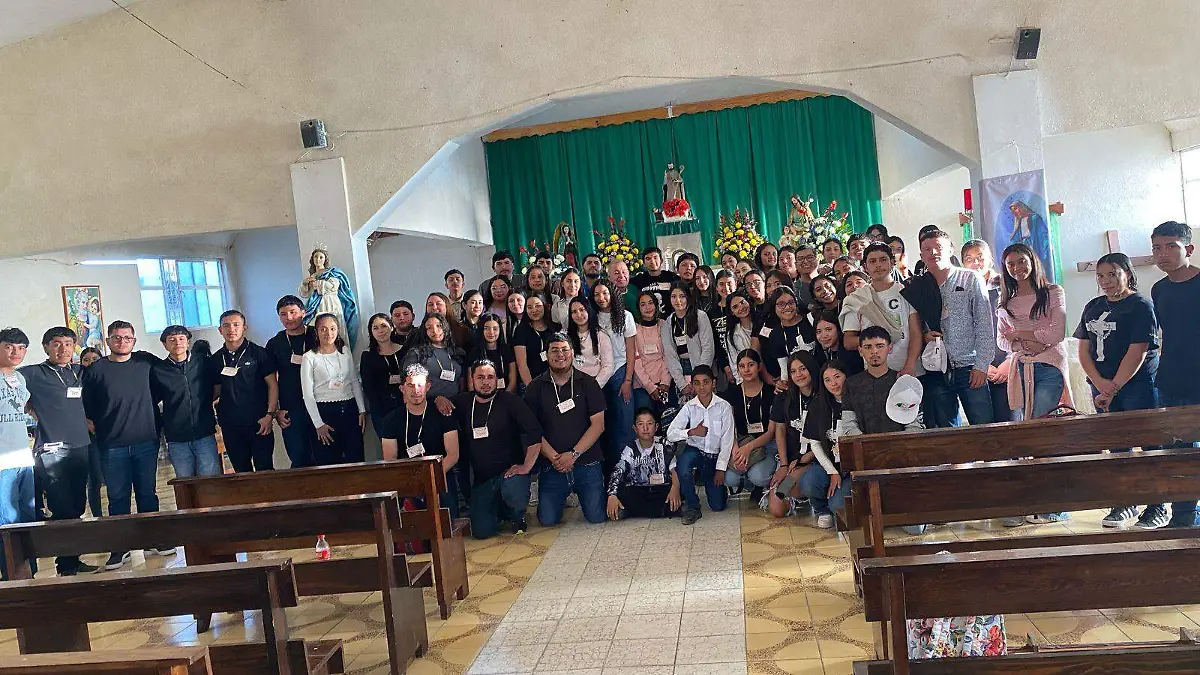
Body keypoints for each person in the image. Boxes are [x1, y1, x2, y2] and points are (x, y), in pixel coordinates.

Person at [1074, 253, 1164, 529]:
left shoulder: (1140, 305)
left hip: (1137, 385)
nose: (1106, 281)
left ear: (1127, 273)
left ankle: (1158, 506)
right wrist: (1100, 383)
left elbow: (1137, 351)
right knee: (1116, 446)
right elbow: (1083, 349)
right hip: (1102, 386)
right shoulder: (1093, 306)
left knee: (1149, 444)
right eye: (1100, 276)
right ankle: (1124, 502)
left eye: (1112, 274)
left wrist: (1112, 388)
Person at [82, 321, 170, 569]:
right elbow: (86, 404)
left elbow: (163, 385)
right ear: (108, 341)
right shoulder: (97, 369)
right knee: (118, 497)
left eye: (127, 338)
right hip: (112, 444)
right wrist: (93, 425)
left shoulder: (146, 362)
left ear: (134, 340)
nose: (122, 342)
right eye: (117, 338)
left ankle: (153, 540)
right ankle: (120, 547)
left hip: (145, 440)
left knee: (147, 493)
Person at [20, 327, 99, 575]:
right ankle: (64, 566)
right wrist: (30, 408)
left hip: (80, 445)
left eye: (68, 343)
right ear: (46, 347)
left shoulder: (77, 371)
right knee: (61, 508)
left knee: (77, 507)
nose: (63, 348)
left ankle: (73, 560)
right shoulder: (33, 373)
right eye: (56, 343)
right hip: (52, 450)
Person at [903, 229, 995, 428]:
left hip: (970, 365)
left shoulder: (970, 278)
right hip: (936, 368)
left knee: (984, 428)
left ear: (951, 249)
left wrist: (982, 365)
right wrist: (925, 335)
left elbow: (984, 324)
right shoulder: (918, 286)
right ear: (921, 255)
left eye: (938, 247)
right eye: (927, 249)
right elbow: (916, 326)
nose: (933, 252)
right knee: (947, 432)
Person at [524, 333, 607, 526]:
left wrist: (573, 455)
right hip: (553, 465)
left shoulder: (588, 383)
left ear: (572, 353)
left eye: (564, 350)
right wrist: (555, 458)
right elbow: (532, 430)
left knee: (596, 517)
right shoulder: (535, 387)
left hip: (586, 462)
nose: (560, 354)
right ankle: (561, 497)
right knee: (547, 520)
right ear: (546, 355)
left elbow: (598, 425)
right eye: (554, 350)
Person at [1150, 222, 1200, 528]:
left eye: (1171, 246)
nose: (1162, 254)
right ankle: (1183, 516)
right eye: (1157, 248)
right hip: (1170, 379)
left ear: (1188, 249)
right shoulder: (1159, 289)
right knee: (1177, 451)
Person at [454, 360, 541, 537]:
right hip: (482, 479)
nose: (485, 382)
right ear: (472, 380)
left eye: (490, 377)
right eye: (480, 377)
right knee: (481, 532)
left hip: (510, 474)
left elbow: (535, 434)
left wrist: (526, 466)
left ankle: (516, 515)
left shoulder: (510, 401)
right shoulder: (463, 402)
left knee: (513, 491)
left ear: (497, 380)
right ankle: (499, 511)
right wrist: (439, 400)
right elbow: (440, 406)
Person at [380, 364, 462, 517]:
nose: (416, 390)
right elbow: (390, 459)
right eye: (410, 385)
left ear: (428, 387)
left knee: (448, 518)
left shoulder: (442, 414)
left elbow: (453, 455)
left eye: (420, 385)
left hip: (440, 473)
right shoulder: (391, 419)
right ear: (402, 388)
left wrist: (429, 478)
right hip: (408, 478)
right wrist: (414, 481)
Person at [841, 243, 923, 378]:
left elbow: (915, 333)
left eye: (883, 259)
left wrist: (909, 365)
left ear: (892, 262)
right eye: (872, 261)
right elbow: (848, 342)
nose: (878, 265)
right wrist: (874, 340)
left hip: (910, 370)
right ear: (865, 267)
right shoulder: (857, 299)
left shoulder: (907, 292)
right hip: (876, 373)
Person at [211, 310, 278, 472]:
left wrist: (269, 415)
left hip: (259, 422)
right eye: (226, 325)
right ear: (220, 330)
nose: (231, 329)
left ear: (244, 327)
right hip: (231, 425)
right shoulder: (216, 359)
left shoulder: (259, 353)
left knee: (265, 470)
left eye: (236, 325)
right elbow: (216, 391)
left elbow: (273, 385)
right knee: (241, 472)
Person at [667, 365, 734, 525]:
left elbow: (727, 440)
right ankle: (693, 506)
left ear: (713, 383)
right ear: (692, 385)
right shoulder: (689, 407)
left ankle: (718, 489)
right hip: (695, 451)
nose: (702, 387)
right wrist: (691, 432)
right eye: (697, 383)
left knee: (717, 506)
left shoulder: (724, 407)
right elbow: (671, 433)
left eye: (706, 382)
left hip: (713, 458)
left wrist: (720, 469)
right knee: (683, 465)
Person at [150, 326, 219, 478]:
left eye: (181, 339)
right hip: (177, 437)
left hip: (204, 433)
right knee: (185, 483)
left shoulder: (203, 362)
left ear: (188, 342)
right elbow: (154, 398)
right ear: (164, 344)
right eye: (172, 340)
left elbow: (216, 387)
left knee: (210, 481)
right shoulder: (158, 370)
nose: (177, 343)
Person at [300, 313, 366, 465]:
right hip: (324, 412)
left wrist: (361, 410)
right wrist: (318, 424)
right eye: (323, 329)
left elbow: (354, 381)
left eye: (332, 328)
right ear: (316, 332)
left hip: (349, 409)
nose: (328, 333)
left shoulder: (345, 352)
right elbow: (307, 394)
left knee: (355, 457)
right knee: (328, 461)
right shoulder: (310, 357)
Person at [720, 349, 780, 504]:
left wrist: (749, 448)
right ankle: (751, 486)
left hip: (768, 444)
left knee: (758, 476)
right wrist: (736, 449)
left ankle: (762, 484)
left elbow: (772, 432)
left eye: (751, 365)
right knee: (730, 478)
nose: (746, 370)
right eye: (742, 366)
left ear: (759, 367)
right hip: (742, 441)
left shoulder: (771, 392)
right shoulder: (732, 393)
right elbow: (730, 426)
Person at [962, 240, 1011, 425]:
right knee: (983, 426)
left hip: (1007, 363)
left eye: (980, 257)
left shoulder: (1008, 285)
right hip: (976, 366)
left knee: (1009, 422)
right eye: (969, 259)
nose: (976, 263)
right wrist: (981, 364)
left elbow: (1019, 324)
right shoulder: (960, 289)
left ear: (990, 259)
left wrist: (1010, 361)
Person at [0, 328, 36, 579]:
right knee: (7, 520)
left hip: (23, 457)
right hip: (2, 461)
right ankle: (12, 575)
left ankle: (29, 572)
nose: (16, 352)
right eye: (9, 347)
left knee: (28, 515)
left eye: (21, 348)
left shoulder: (19, 378)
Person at [267, 295, 318, 468]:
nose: (289, 318)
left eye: (293, 312)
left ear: (303, 312)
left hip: (321, 404)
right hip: (291, 409)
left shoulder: (317, 335)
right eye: (283, 314)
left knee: (325, 455)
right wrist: (276, 411)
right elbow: (271, 381)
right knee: (298, 458)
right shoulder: (275, 343)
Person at [767, 351, 820, 519]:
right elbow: (780, 430)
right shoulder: (784, 395)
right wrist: (783, 465)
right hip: (791, 459)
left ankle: (809, 494)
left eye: (803, 369)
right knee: (776, 509)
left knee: (787, 486)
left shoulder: (823, 396)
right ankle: (798, 496)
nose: (799, 374)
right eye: (793, 371)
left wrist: (804, 460)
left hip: (814, 457)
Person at [797, 360, 848, 529]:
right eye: (827, 380)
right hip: (828, 463)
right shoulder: (818, 404)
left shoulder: (858, 400)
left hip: (852, 467)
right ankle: (821, 510)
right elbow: (815, 444)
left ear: (846, 376)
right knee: (808, 482)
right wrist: (832, 471)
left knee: (838, 505)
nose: (833, 383)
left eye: (837, 377)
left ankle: (835, 505)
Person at [592, 280, 637, 469]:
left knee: (624, 425)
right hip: (598, 375)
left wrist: (627, 380)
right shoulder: (591, 317)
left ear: (612, 294)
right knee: (605, 426)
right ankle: (608, 472)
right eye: (596, 294)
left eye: (605, 293)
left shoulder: (625, 316)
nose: (601, 298)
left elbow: (631, 351)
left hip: (620, 372)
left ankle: (627, 470)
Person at [606, 408, 682, 520]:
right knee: (622, 492)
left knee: (680, 487)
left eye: (649, 424)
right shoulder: (630, 449)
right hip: (638, 491)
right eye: (640, 424)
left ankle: (638, 512)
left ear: (656, 427)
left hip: (660, 489)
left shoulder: (664, 444)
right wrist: (612, 495)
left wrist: (675, 488)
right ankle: (660, 511)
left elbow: (674, 469)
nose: (645, 428)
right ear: (635, 428)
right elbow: (618, 471)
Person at [403, 313, 466, 418]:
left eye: (439, 326)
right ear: (424, 331)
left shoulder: (458, 352)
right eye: (429, 328)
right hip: (427, 407)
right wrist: (435, 399)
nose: (435, 331)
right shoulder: (417, 353)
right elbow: (407, 385)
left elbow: (462, 383)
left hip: (455, 407)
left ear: (445, 327)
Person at [753, 287, 816, 390]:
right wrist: (782, 383)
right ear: (774, 307)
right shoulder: (775, 335)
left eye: (791, 303)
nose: (787, 307)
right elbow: (784, 368)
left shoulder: (811, 320)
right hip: (800, 382)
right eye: (781, 304)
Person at [299, 247, 360, 349]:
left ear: (325, 259)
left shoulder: (332, 272)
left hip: (330, 302)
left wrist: (316, 283)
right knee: (316, 327)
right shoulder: (312, 276)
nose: (318, 259)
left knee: (333, 325)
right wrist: (305, 283)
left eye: (321, 257)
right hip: (316, 305)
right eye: (315, 257)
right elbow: (305, 294)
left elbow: (333, 286)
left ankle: (338, 349)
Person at [663, 282, 715, 399]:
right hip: (681, 369)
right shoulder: (668, 322)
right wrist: (682, 384)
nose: (678, 300)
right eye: (673, 296)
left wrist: (701, 378)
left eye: (682, 296)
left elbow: (708, 349)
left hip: (701, 365)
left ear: (688, 297)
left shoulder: (700, 316)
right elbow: (670, 355)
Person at [359, 313, 404, 435]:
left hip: (405, 404)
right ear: (371, 332)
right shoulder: (367, 356)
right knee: (388, 443)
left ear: (392, 327)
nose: (380, 331)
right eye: (375, 328)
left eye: (384, 326)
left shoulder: (404, 350)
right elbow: (368, 386)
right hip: (381, 408)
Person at [632, 293, 673, 413]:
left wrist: (665, 382)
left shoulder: (663, 325)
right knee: (645, 418)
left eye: (650, 303)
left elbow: (668, 355)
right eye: (643, 304)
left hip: (664, 381)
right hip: (642, 384)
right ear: (638, 308)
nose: (647, 307)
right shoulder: (634, 329)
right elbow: (635, 361)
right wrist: (650, 387)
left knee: (667, 417)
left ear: (656, 305)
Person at [77, 346, 104, 516]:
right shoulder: (77, 380)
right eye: (86, 360)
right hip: (89, 435)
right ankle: (97, 516)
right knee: (95, 478)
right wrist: (84, 421)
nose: (90, 363)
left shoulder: (107, 376)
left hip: (109, 432)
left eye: (95, 359)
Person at [566, 296, 614, 388]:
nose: (579, 315)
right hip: (572, 383)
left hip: (596, 383)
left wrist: (593, 387)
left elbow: (608, 367)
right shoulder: (566, 336)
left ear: (588, 310)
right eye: (574, 312)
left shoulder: (601, 336)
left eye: (582, 310)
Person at [512, 295, 559, 388]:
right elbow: (522, 365)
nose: (534, 310)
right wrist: (532, 388)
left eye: (538, 306)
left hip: (556, 382)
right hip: (531, 382)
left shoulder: (556, 328)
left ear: (545, 306)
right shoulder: (521, 330)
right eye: (529, 307)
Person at [467, 315, 517, 393]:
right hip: (481, 396)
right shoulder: (474, 352)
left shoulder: (507, 350)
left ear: (500, 330)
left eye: (495, 329)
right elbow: (471, 383)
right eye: (486, 328)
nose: (491, 332)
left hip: (505, 395)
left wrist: (505, 397)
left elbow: (513, 380)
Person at [632, 246, 681, 317]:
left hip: (670, 319)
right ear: (644, 263)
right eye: (648, 259)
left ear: (661, 260)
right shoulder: (639, 279)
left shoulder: (672, 277)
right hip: (649, 319)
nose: (652, 261)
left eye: (655, 257)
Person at [813, 310, 864, 375]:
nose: (824, 336)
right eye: (819, 332)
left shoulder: (852, 354)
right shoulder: (821, 354)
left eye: (828, 329)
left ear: (838, 329)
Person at [723, 292, 756, 385]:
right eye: (735, 307)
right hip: (747, 381)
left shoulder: (762, 323)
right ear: (731, 312)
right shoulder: (732, 334)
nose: (741, 307)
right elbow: (734, 363)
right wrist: (743, 384)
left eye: (742, 302)